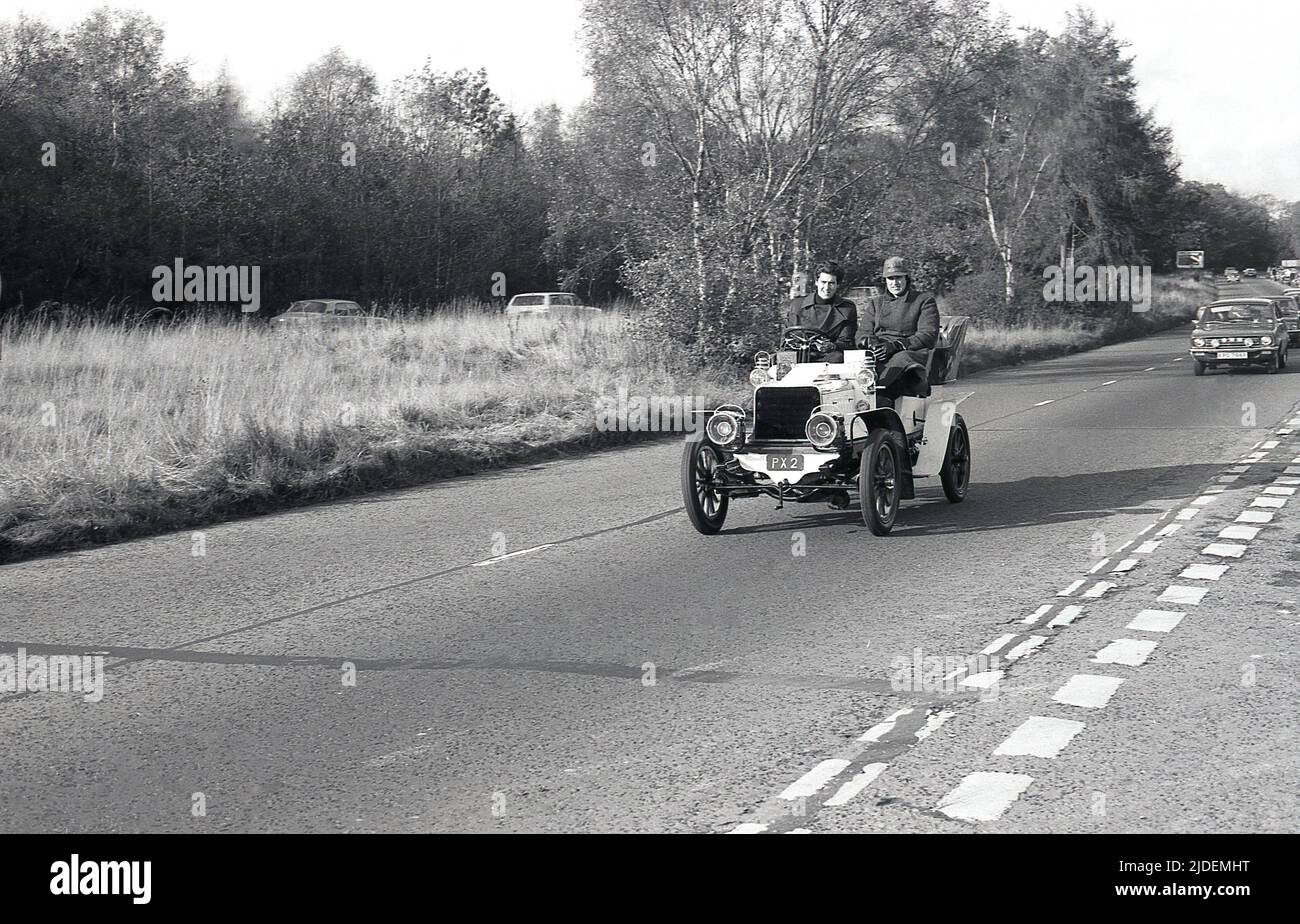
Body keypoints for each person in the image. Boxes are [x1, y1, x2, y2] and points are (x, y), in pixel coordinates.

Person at [857, 256, 939, 405]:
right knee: (857, 363)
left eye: (898, 278)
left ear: (906, 278)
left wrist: (897, 345)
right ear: (885, 281)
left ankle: (880, 392)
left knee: (900, 359)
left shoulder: (923, 300)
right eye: (890, 278)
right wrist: (872, 344)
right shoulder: (876, 303)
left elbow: (928, 334)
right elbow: (862, 333)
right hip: (880, 353)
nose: (895, 283)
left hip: (910, 353)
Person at [783, 261, 857, 362]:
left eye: (831, 283)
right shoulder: (797, 305)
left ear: (837, 285)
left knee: (838, 357)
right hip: (799, 354)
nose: (826, 288)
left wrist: (831, 346)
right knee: (779, 359)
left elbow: (847, 342)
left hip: (827, 356)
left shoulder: (846, 309)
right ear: (816, 282)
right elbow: (786, 337)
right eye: (823, 282)